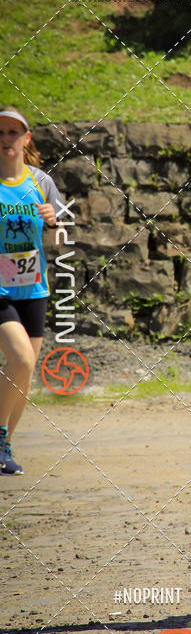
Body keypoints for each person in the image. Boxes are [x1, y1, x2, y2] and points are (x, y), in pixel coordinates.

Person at [0, 107, 63, 475]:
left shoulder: (41, 181)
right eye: (1, 132)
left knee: (24, 373)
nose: (6, 139)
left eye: (13, 132)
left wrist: (54, 222)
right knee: (20, 359)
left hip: (34, 290)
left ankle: (5, 446)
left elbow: (61, 239)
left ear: (26, 139)